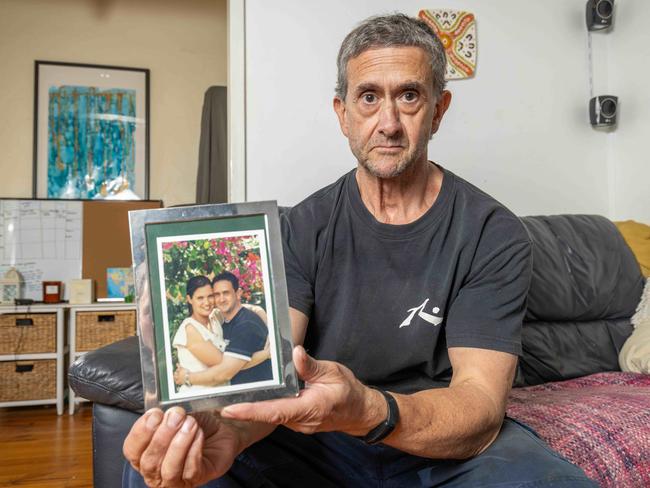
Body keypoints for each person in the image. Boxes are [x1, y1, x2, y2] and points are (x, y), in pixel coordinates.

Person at [123, 14, 597, 487]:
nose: (387, 123)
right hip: (315, 434)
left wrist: (368, 410)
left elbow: (479, 404)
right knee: (170, 467)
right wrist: (228, 432)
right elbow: (273, 371)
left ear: (438, 109)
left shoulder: (492, 232)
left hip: (433, 435)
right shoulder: (300, 227)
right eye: (368, 97)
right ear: (342, 113)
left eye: (408, 96)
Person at [173, 275, 270, 393]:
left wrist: (267, 324)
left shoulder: (214, 318)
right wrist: (267, 354)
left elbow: (243, 307)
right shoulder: (190, 329)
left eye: (210, 296)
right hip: (199, 395)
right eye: (200, 298)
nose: (206, 302)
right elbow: (226, 367)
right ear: (189, 299)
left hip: (220, 394)